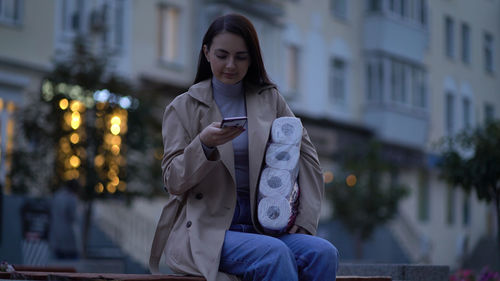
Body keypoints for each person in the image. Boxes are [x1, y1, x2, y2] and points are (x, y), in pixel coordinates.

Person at [150, 13, 339, 281]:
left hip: (265, 226)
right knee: (274, 254)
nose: (231, 65)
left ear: (252, 58)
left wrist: (306, 219)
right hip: (208, 231)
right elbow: (173, 181)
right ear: (206, 53)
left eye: (241, 57)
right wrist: (203, 145)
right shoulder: (183, 107)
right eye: (222, 55)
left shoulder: (269, 99)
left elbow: (307, 157)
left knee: (323, 253)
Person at [49, 179, 80, 259]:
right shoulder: (72, 198)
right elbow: (72, 217)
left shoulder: (57, 195)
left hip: (55, 236)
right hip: (68, 239)